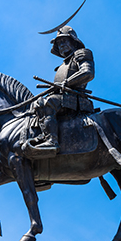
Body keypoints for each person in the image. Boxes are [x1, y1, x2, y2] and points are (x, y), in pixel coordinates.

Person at [32, 25, 95, 154]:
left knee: (47, 103)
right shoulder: (62, 66)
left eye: (64, 41)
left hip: (75, 99)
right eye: (58, 43)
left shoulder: (82, 54)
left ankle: (52, 141)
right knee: (36, 105)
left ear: (73, 42)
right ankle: (44, 134)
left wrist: (67, 83)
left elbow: (87, 72)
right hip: (63, 98)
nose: (61, 45)